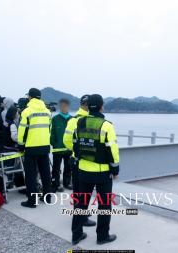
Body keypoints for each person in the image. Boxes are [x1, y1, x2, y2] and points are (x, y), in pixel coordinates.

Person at [71, 94, 120, 245]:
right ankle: (102, 236)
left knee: (81, 203)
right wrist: (115, 169)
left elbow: (75, 144)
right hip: (102, 173)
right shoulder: (106, 125)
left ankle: (76, 235)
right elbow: (112, 150)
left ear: (88, 107)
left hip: (83, 171)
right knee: (104, 204)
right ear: (101, 106)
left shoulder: (79, 122)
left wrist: (77, 162)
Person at [63, 95, 96, 227]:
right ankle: (80, 219)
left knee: (79, 190)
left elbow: (67, 141)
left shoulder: (73, 120)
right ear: (85, 105)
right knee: (82, 191)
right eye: (88, 104)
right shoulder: (87, 120)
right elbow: (66, 141)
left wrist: (77, 150)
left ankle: (80, 215)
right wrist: (83, 151)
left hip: (77, 159)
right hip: (83, 161)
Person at [18, 88, 52, 208]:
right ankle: (47, 197)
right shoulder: (48, 111)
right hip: (45, 146)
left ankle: (32, 201)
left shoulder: (27, 111)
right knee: (45, 173)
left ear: (30, 97)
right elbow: (49, 129)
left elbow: (22, 130)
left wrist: (21, 144)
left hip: (31, 147)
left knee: (31, 175)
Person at [50, 98, 72, 192]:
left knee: (68, 167)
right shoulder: (55, 119)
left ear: (68, 107)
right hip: (57, 149)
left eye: (65, 106)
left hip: (68, 149)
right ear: (60, 107)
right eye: (62, 106)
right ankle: (56, 184)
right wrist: (54, 144)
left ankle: (67, 183)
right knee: (56, 168)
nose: (64, 108)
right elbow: (52, 133)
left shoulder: (72, 119)